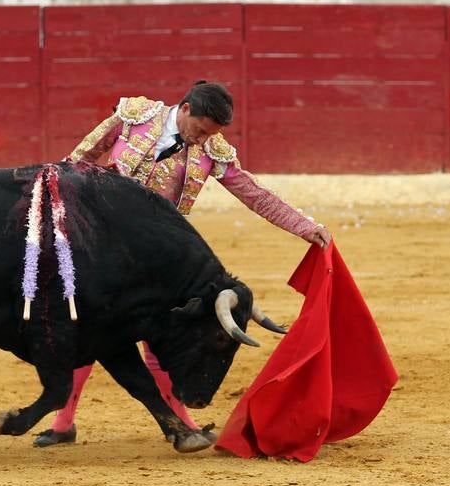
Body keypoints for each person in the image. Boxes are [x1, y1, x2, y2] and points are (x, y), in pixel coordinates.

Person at [32, 80, 331, 450]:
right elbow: (75, 162)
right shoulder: (133, 116)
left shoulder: (212, 151)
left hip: (155, 260)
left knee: (159, 339)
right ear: (186, 109)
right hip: (101, 252)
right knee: (87, 331)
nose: (202, 141)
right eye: (201, 131)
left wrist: (305, 227)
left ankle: (184, 423)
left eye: (210, 136)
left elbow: (256, 195)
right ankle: (64, 423)